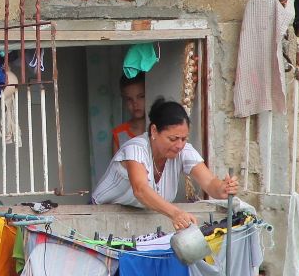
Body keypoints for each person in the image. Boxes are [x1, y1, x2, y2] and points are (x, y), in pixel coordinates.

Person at [92, 98, 238, 230]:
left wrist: (222, 188)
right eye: (173, 139)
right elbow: (141, 189)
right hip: (98, 218)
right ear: (154, 131)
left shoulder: (183, 150)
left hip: (140, 223)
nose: (179, 145)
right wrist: (175, 213)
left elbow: (210, 182)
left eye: (184, 138)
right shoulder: (135, 149)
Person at [112, 73, 147, 153]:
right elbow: (117, 165)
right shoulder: (119, 134)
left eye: (141, 96)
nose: (135, 103)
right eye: (129, 99)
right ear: (123, 100)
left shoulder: (158, 129)